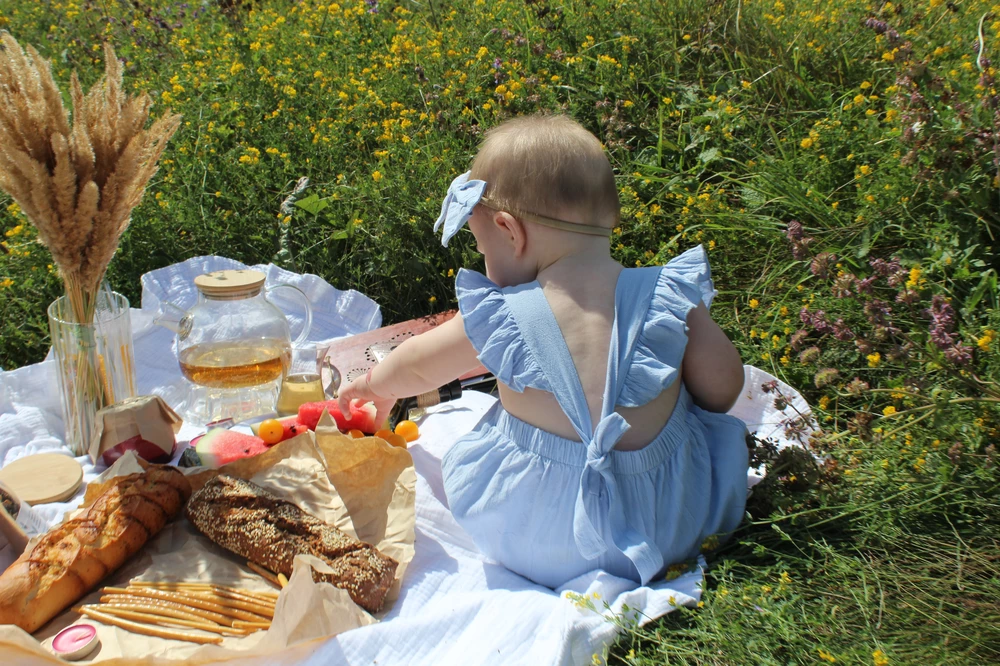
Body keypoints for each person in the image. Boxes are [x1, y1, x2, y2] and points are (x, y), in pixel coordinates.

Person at [337, 114, 748, 588]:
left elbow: (414, 366)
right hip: (670, 527)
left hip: (532, 535)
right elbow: (724, 391)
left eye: (482, 246)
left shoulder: (503, 313)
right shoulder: (667, 294)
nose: (485, 264)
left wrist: (373, 386)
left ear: (511, 231)